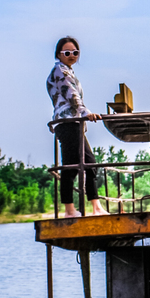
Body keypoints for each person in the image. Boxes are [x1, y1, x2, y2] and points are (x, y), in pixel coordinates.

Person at [47, 37, 107, 217]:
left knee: (88, 163)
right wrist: (84, 112)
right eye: (67, 53)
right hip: (68, 123)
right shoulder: (60, 70)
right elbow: (71, 94)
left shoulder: (68, 71)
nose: (72, 56)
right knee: (71, 166)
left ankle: (95, 207)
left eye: (75, 52)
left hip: (73, 123)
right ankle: (69, 210)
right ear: (59, 55)